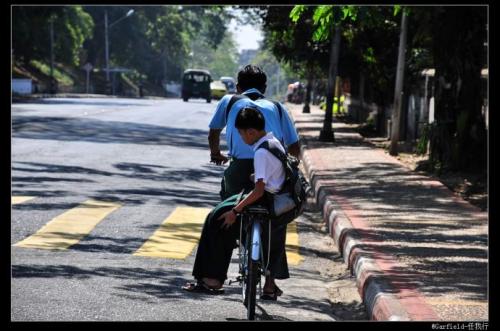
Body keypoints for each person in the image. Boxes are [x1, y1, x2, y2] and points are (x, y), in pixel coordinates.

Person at [183, 107, 291, 300]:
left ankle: (211, 279)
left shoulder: (260, 153)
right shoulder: (273, 142)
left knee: (216, 217)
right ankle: (266, 283)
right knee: (221, 215)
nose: (242, 138)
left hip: (264, 199)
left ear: (251, 132)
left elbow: (258, 191)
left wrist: (235, 210)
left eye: (241, 134)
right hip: (274, 196)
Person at [208, 64, 300, 200]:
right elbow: (294, 145)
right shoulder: (278, 107)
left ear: (238, 87)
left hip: (239, 169)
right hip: (273, 171)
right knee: (279, 209)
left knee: (227, 203)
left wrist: (216, 154)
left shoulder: (229, 100)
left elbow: (213, 134)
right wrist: (290, 169)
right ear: (264, 88)